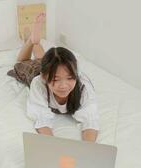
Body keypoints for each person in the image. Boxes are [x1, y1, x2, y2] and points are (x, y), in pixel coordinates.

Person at [17, 13, 99, 142]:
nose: (63, 86)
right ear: (44, 78)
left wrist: (87, 149)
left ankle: (34, 40)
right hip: (40, 70)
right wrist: (54, 145)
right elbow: (41, 118)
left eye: (70, 78)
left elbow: (91, 120)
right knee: (22, 62)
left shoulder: (83, 85)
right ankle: (29, 39)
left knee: (41, 59)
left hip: (51, 67)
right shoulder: (38, 82)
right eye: (56, 80)